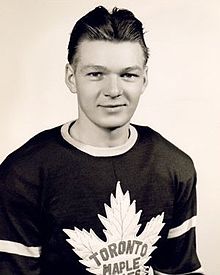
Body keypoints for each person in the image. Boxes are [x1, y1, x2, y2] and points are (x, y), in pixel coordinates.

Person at [0, 6, 204, 275]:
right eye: (96, 74)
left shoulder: (175, 167)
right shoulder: (22, 174)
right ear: (71, 77)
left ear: (144, 79)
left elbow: (179, 271)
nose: (113, 91)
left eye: (128, 74)